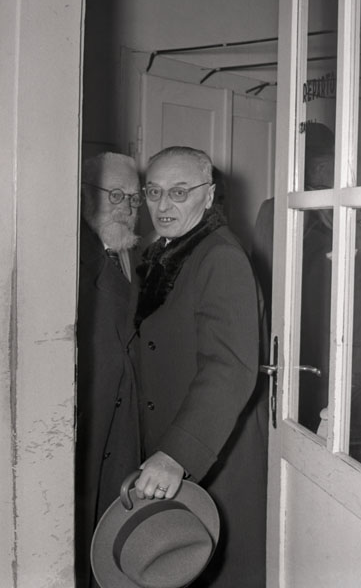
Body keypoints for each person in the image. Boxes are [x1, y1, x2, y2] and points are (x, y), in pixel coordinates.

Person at [133, 146, 267, 588]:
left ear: (208, 196)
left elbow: (229, 368)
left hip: (209, 452)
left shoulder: (219, 256)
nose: (163, 205)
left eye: (179, 192)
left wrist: (177, 454)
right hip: (173, 444)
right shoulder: (166, 250)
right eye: (154, 192)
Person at [251, 124, 361, 465]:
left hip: (342, 367)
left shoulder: (359, 211)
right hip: (297, 361)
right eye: (321, 162)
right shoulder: (279, 211)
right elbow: (264, 284)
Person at [75, 152, 143, 588]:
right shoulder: (73, 258)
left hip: (122, 420)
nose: (127, 207)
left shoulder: (130, 251)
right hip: (89, 421)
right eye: (115, 195)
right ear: (85, 196)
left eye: (134, 198)